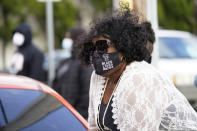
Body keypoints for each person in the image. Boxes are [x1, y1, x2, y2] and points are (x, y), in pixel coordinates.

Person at [79, 8, 197, 130]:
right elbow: (94, 126)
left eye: (102, 46)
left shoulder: (140, 79)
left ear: (123, 47)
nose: (96, 53)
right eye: (91, 47)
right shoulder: (98, 77)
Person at [53, 27, 93, 119]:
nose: (66, 41)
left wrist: (77, 116)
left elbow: (86, 94)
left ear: (77, 40)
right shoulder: (65, 62)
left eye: (69, 38)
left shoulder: (85, 63)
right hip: (62, 114)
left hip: (75, 117)